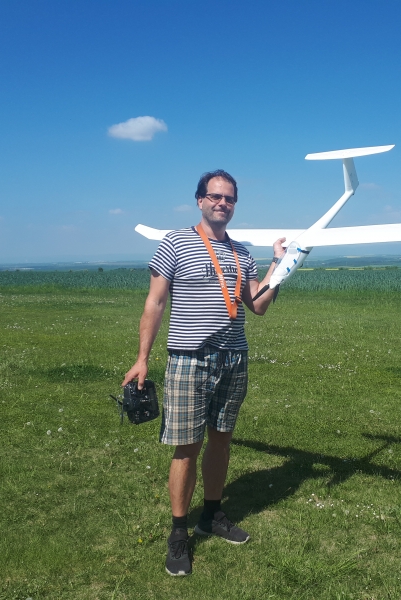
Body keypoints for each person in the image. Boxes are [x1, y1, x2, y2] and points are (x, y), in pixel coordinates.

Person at [122, 169, 285, 576]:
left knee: (222, 441)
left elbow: (258, 305)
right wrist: (142, 358)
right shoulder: (175, 243)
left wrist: (280, 266)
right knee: (186, 448)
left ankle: (211, 515)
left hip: (233, 358)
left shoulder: (242, 253)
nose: (222, 203)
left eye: (229, 198)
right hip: (188, 359)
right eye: (215, 196)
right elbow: (155, 303)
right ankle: (179, 533)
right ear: (200, 200)